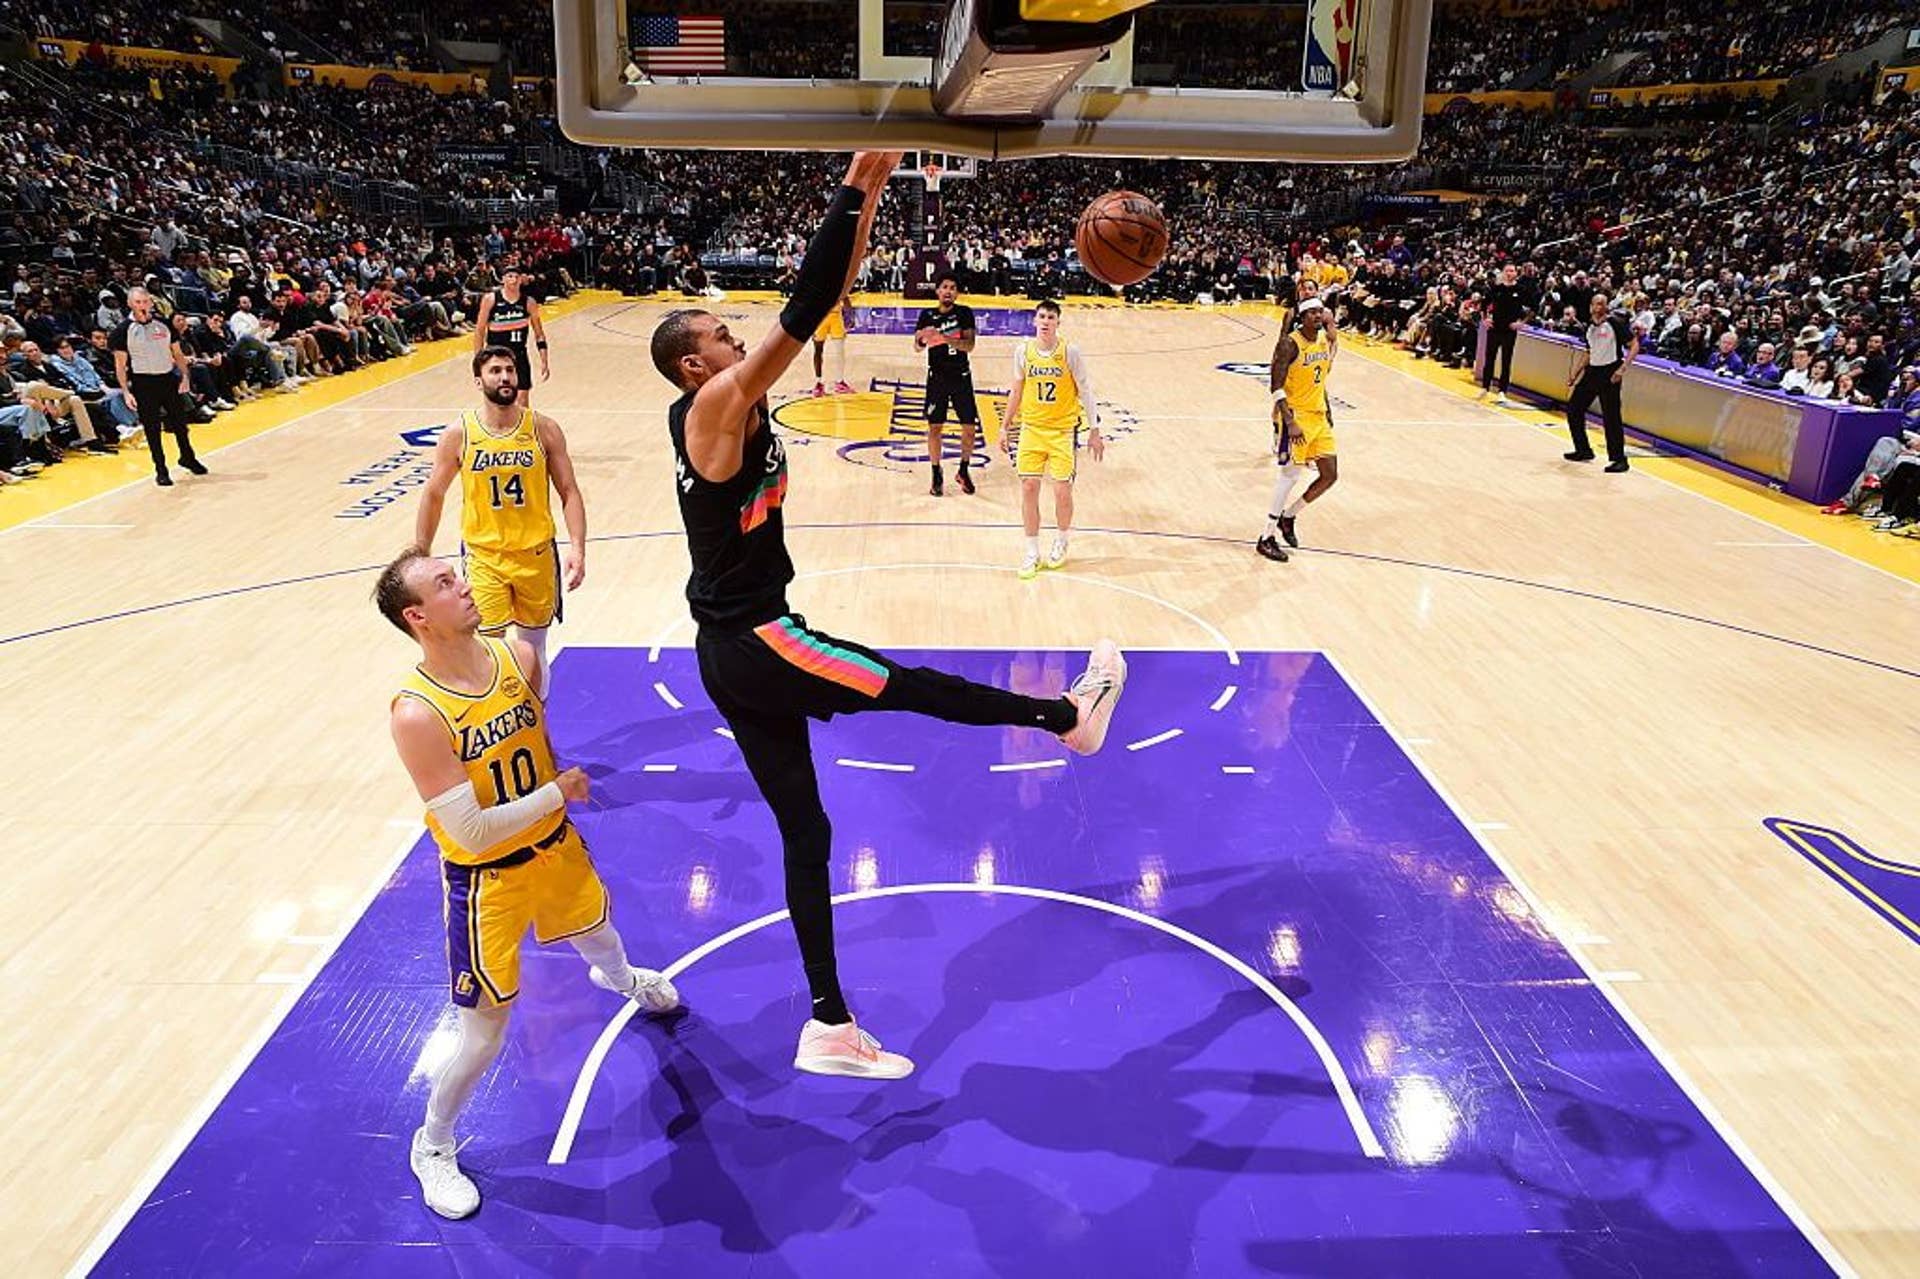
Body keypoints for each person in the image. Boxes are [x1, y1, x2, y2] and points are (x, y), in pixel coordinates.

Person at [647, 152, 1128, 1080]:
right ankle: (1068, 717)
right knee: (910, 685)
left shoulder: (725, 404)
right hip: (759, 640)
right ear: (692, 364)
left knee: (807, 833)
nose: (739, 337)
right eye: (722, 333)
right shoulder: (712, 405)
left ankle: (827, 1025)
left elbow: (829, 292)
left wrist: (870, 199)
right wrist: (856, 181)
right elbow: (805, 304)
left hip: (728, 649)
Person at [376, 550, 679, 1220]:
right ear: (418, 617)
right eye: (445, 583)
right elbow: (473, 830)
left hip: (555, 848)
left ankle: (622, 979)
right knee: (483, 1035)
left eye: (458, 573)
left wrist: (554, 793)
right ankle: (433, 1144)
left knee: (598, 931)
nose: (464, 584)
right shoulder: (418, 713)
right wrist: (557, 793)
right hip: (489, 882)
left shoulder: (518, 658)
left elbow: (539, 745)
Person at [415, 347, 587, 680]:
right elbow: (434, 493)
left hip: (536, 554)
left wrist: (577, 548)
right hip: (485, 556)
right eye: (495, 371)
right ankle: (500, 711)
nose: (505, 377)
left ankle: (536, 711)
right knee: (487, 650)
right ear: (478, 381)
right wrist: (421, 552)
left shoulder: (543, 428)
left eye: (510, 370)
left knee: (533, 649)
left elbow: (569, 490)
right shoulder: (459, 434)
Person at [1003, 299, 1103, 578]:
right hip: (1032, 429)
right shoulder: (1023, 351)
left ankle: (1061, 539)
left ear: (1058, 322)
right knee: (1028, 488)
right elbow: (1016, 390)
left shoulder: (1070, 352)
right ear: (1034, 320)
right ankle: (1032, 552)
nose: (1046, 321)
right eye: (1042, 316)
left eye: (1051, 317)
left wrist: (1094, 429)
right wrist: (1004, 426)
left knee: (1062, 492)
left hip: (1062, 432)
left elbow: (1086, 390)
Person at [1258, 298, 1338, 562]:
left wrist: (1327, 408)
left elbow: (1320, 380)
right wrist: (1289, 421)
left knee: (1329, 475)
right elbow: (1276, 386)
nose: (1318, 315)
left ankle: (1289, 516)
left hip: (1319, 416)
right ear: (1302, 317)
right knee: (1289, 477)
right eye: (1312, 312)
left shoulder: (1323, 340)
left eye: (1320, 311)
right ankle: (1266, 537)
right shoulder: (1289, 344)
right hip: (1297, 418)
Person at [111, 287, 206, 486]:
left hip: (167, 378)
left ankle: (188, 457)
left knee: (180, 423)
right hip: (143, 383)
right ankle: (161, 469)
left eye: (145, 301)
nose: (142, 306)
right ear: (130, 304)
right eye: (138, 302)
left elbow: (177, 353)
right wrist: (126, 392)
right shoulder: (122, 331)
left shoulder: (164, 325)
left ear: (151, 302)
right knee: (153, 428)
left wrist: (185, 377)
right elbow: (120, 365)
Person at [915, 271, 979, 496]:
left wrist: (944, 338)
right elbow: (917, 346)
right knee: (935, 427)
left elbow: (969, 345)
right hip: (937, 379)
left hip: (961, 377)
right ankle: (936, 472)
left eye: (952, 288)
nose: (948, 291)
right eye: (944, 287)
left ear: (957, 293)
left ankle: (963, 470)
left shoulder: (964, 313)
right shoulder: (926, 315)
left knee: (969, 428)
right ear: (937, 291)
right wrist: (922, 338)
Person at [1564, 292, 1638, 473]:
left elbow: (1634, 345)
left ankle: (1619, 459)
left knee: (1611, 417)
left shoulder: (1615, 323)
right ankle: (1583, 450)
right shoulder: (1589, 327)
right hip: (1592, 371)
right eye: (1594, 303)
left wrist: (1622, 369)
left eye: (1601, 304)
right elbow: (1589, 352)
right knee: (1574, 409)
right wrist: (1575, 374)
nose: (1597, 307)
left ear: (1606, 306)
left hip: (1610, 372)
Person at [473, 267, 549, 407]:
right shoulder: (491, 299)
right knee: (497, 399)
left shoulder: (529, 302)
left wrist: (544, 360)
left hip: (519, 355)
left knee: (522, 400)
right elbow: (479, 331)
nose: (513, 280)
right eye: (509, 276)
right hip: (495, 356)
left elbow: (539, 334)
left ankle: (522, 422)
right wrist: (478, 360)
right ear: (503, 279)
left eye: (516, 277)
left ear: (521, 280)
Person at [1478, 263, 1530, 408]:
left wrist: (1522, 323)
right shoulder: (1496, 288)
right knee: (1489, 359)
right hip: (1495, 328)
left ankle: (1502, 391)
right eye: (1507, 271)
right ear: (1502, 273)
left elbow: (1533, 308)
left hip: (1509, 330)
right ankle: (1485, 387)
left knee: (1506, 361)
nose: (1509, 273)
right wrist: (1485, 319)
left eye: (1512, 271)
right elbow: (1483, 304)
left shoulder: (1521, 290)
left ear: (1516, 273)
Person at [810, 290, 854, 397]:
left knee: (840, 351)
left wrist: (850, 315)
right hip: (820, 318)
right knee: (818, 350)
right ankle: (818, 382)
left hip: (836, 317)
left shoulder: (838, 282)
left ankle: (840, 382)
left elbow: (845, 295)